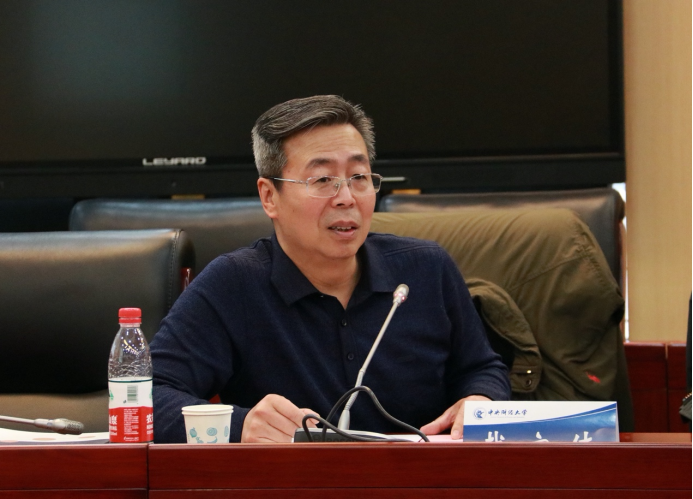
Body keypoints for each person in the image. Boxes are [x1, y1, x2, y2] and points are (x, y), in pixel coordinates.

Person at [151, 95, 510, 443]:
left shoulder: (426, 268)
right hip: (293, 478)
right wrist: (240, 425)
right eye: (323, 180)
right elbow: (147, 397)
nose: (346, 198)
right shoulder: (234, 283)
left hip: (419, 474)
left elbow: (481, 368)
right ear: (269, 197)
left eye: (359, 177)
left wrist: (480, 400)